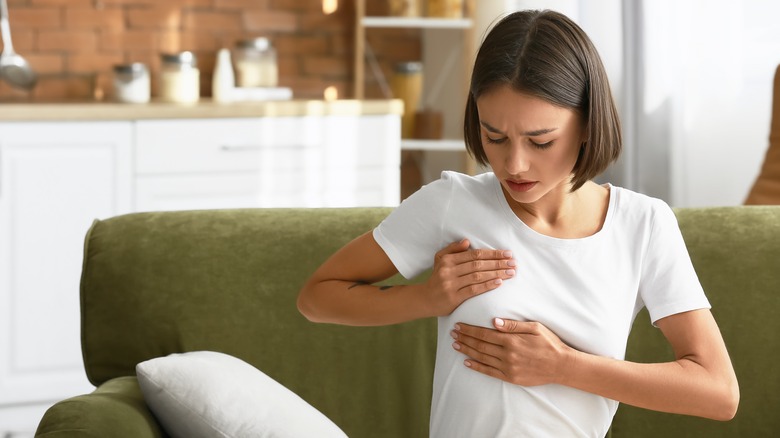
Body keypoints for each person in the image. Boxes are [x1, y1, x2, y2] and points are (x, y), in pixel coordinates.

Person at [297, 9, 739, 437]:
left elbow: (718, 392)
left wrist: (562, 365)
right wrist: (427, 298)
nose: (515, 164)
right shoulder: (453, 203)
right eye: (495, 137)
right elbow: (316, 298)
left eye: (540, 140)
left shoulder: (643, 225)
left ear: (587, 124)